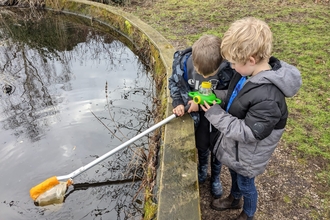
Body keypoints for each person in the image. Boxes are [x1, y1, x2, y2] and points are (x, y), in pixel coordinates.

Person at [200, 17, 302, 220]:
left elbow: (248, 132)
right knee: (235, 175)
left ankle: (248, 213)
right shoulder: (246, 74)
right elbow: (234, 98)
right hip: (237, 151)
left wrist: (214, 113)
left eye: (233, 63)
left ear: (251, 59)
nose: (231, 67)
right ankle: (234, 198)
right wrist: (214, 98)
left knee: (247, 183)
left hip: (249, 155)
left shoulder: (268, 97)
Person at [168, 35, 234, 199]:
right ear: (194, 62)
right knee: (202, 144)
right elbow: (175, 83)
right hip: (198, 117)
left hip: (219, 115)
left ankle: (216, 177)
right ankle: (203, 168)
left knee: (218, 147)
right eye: (200, 73)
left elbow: (231, 93)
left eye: (210, 74)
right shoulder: (183, 65)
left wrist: (210, 99)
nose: (204, 78)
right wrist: (178, 101)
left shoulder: (229, 69)